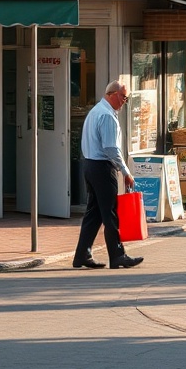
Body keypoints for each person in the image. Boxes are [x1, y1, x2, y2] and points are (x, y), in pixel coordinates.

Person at [73, 80, 144, 269]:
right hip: (102, 167)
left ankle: (82, 254)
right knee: (109, 212)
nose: (124, 102)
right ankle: (117, 255)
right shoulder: (106, 115)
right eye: (122, 97)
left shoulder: (96, 111)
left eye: (126, 98)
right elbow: (111, 148)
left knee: (94, 212)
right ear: (111, 94)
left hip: (90, 165)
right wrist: (125, 171)